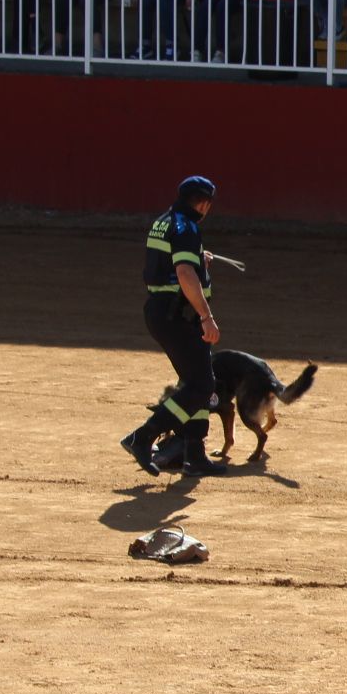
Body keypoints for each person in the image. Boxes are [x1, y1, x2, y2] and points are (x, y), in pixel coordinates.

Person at [121, 175, 228, 478]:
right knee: (202, 385)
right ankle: (142, 438)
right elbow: (183, 273)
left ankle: (194, 454)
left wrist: (198, 261)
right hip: (177, 314)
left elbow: (172, 264)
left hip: (162, 311)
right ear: (204, 203)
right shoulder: (187, 227)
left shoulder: (164, 221)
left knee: (197, 379)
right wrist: (206, 317)